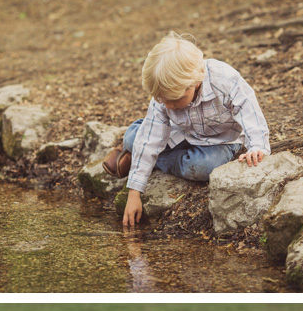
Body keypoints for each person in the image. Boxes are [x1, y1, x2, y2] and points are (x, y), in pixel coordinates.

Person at [101, 31, 270, 229]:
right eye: (163, 101)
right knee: (134, 137)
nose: (168, 106)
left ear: (195, 82)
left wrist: (257, 146)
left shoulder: (225, 80)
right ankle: (133, 148)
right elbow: (151, 136)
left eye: (174, 100)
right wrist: (134, 192)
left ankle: (147, 158)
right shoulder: (165, 97)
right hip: (179, 132)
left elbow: (249, 111)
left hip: (219, 141)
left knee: (201, 167)